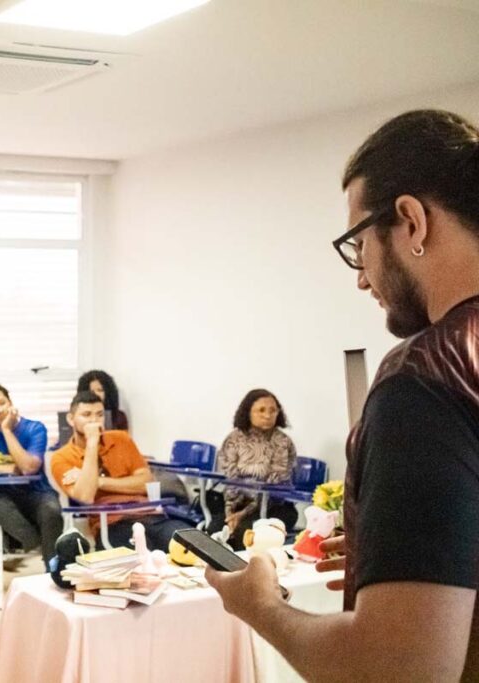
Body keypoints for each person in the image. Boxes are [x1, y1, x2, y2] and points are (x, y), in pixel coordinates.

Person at [206, 109, 479, 680]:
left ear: (411, 221)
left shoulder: (424, 378)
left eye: (359, 245)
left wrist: (262, 605)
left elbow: (395, 672)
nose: (360, 277)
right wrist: (402, 550)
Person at [51, 391, 190, 551]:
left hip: (150, 515)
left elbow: (145, 482)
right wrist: (92, 443)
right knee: (141, 556)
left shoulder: (121, 439)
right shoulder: (61, 457)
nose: (94, 421)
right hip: (111, 524)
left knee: (189, 545)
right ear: (71, 419)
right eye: (86, 415)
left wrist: (96, 480)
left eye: (99, 414)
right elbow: (86, 495)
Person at [0, 383, 62, 565]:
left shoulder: (35, 429)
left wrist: (7, 430)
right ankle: (38, 543)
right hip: (2, 493)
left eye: (2, 403)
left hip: (37, 492)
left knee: (52, 511)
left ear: (10, 402)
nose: (0, 410)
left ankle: (53, 571)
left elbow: (28, 468)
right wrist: (6, 469)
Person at [212, 389, 299, 549]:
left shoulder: (282, 442)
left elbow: (274, 484)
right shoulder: (234, 439)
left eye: (272, 410)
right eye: (261, 410)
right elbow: (229, 479)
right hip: (237, 503)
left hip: (273, 505)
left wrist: (243, 514)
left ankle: (248, 572)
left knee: (245, 534)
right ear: (248, 412)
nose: (267, 415)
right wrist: (230, 513)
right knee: (215, 531)